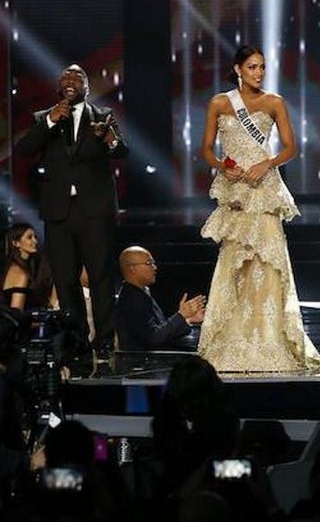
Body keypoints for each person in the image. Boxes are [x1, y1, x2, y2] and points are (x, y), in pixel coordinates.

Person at [197, 45, 320, 373]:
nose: (259, 73)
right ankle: (231, 342)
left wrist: (267, 163)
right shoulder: (220, 103)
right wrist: (223, 167)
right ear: (238, 69)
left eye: (262, 67)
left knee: (268, 263)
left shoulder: (274, 102)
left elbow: (291, 147)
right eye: (252, 67)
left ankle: (270, 341)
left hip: (264, 191)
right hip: (235, 191)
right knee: (234, 264)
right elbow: (206, 149)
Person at [15, 64, 128, 360]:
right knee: (65, 280)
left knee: (100, 277)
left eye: (77, 77)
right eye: (65, 77)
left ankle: (104, 341)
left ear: (86, 88)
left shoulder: (102, 116)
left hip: (94, 212)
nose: (70, 80)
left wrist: (109, 138)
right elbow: (24, 149)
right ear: (58, 87)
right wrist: (50, 121)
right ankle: (77, 342)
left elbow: (121, 151)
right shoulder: (44, 118)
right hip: (58, 212)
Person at [113, 245, 205, 351]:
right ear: (132, 268)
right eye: (149, 263)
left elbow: (160, 330)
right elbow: (153, 339)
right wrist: (181, 315)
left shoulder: (140, 293)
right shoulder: (132, 299)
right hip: (143, 359)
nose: (155, 267)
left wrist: (187, 319)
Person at [1, 222, 56, 312]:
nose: (35, 241)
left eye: (35, 237)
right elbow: (17, 313)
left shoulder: (26, 267)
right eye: (29, 237)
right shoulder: (20, 273)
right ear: (16, 243)